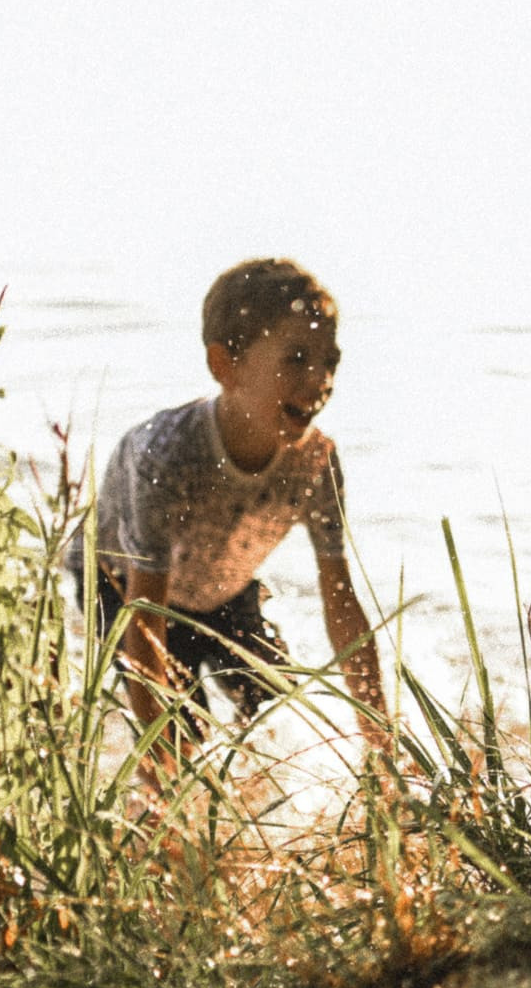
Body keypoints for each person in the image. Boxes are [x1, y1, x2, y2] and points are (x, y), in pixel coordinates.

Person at [70, 257, 387, 768]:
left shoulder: (317, 464)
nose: (320, 379)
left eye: (330, 360)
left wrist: (383, 745)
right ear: (226, 366)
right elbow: (145, 617)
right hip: (124, 583)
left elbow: (342, 604)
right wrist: (162, 775)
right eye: (298, 358)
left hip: (220, 578)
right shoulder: (168, 457)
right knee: (181, 743)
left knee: (281, 724)